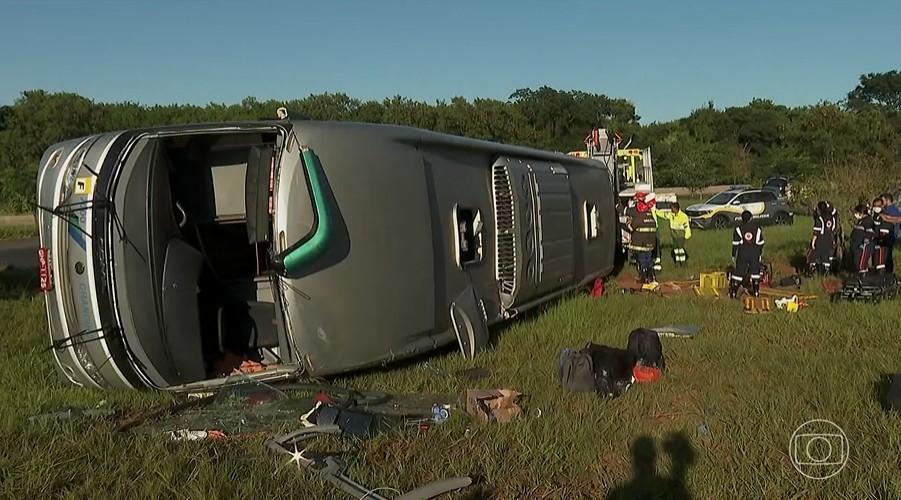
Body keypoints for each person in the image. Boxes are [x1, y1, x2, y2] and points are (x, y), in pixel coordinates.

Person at [625, 192, 659, 284]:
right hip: (650, 244)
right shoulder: (651, 216)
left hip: (641, 244)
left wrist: (627, 222)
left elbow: (630, 227)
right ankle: (651, 277)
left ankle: (644, 277)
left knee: (643, 260)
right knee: (648, 260)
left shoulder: (640, 217)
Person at [729, 211, 765, 298]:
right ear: (751, 218)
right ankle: (756, 293)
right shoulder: (757, 228)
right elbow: (761, 242)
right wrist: (759, 252)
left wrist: (734, 255)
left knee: (739, 272)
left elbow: (735, 243)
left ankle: (733, 293)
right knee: (755, 272)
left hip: (743, 251)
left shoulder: (738, 228)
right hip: (754, 251)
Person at [653, 201, 691, 266]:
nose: (671, 210)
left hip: (680, 235)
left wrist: (687, 236)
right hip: (674, 235)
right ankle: (677, 262)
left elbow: (686, 226)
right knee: (676, 249)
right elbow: (663, 215)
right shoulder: (671, 215)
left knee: (680, 249)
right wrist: (655, 211)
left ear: (676, 208)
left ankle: (683, 263)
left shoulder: (683, 216)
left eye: (672, 208)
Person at [806, 201, 838, 276]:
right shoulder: (832, 217)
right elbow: (835, 214)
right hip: (829, 238)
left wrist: (813, 242)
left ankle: (812, 272)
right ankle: (826, 272)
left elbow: (817, 232)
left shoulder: (819, 218)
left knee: (812, 256)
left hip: (820, 239)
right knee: (826, 255)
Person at [849, 203, 876, 277]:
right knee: (857, 261)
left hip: (862, 246)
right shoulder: (861, 221)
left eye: (856, 213)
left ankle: (863, 278)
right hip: (856, 245)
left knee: (861, 263)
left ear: (861, 212)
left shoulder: (868, 221)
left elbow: (870, 233)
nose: (855, 215)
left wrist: (865, 243)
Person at [878, 193, 900, 273]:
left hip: (890, 235)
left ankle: (888, 273)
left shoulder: (892, 210)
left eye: (882, 200)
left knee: (887, 255)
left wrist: (886, 219)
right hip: (885, 236)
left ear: (887, 200)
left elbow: (898, 220)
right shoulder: (886, 210)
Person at [871, 197, 891, 274]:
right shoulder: (874, 216)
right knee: (876, 261)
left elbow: (885, 229)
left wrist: (881, 240)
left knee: (880, 261)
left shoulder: (885, 215)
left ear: (882, 206)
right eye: (875, 206)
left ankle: (881, 277)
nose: (876, 208)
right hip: (875, 240)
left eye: (878, 206)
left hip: (881, 240)